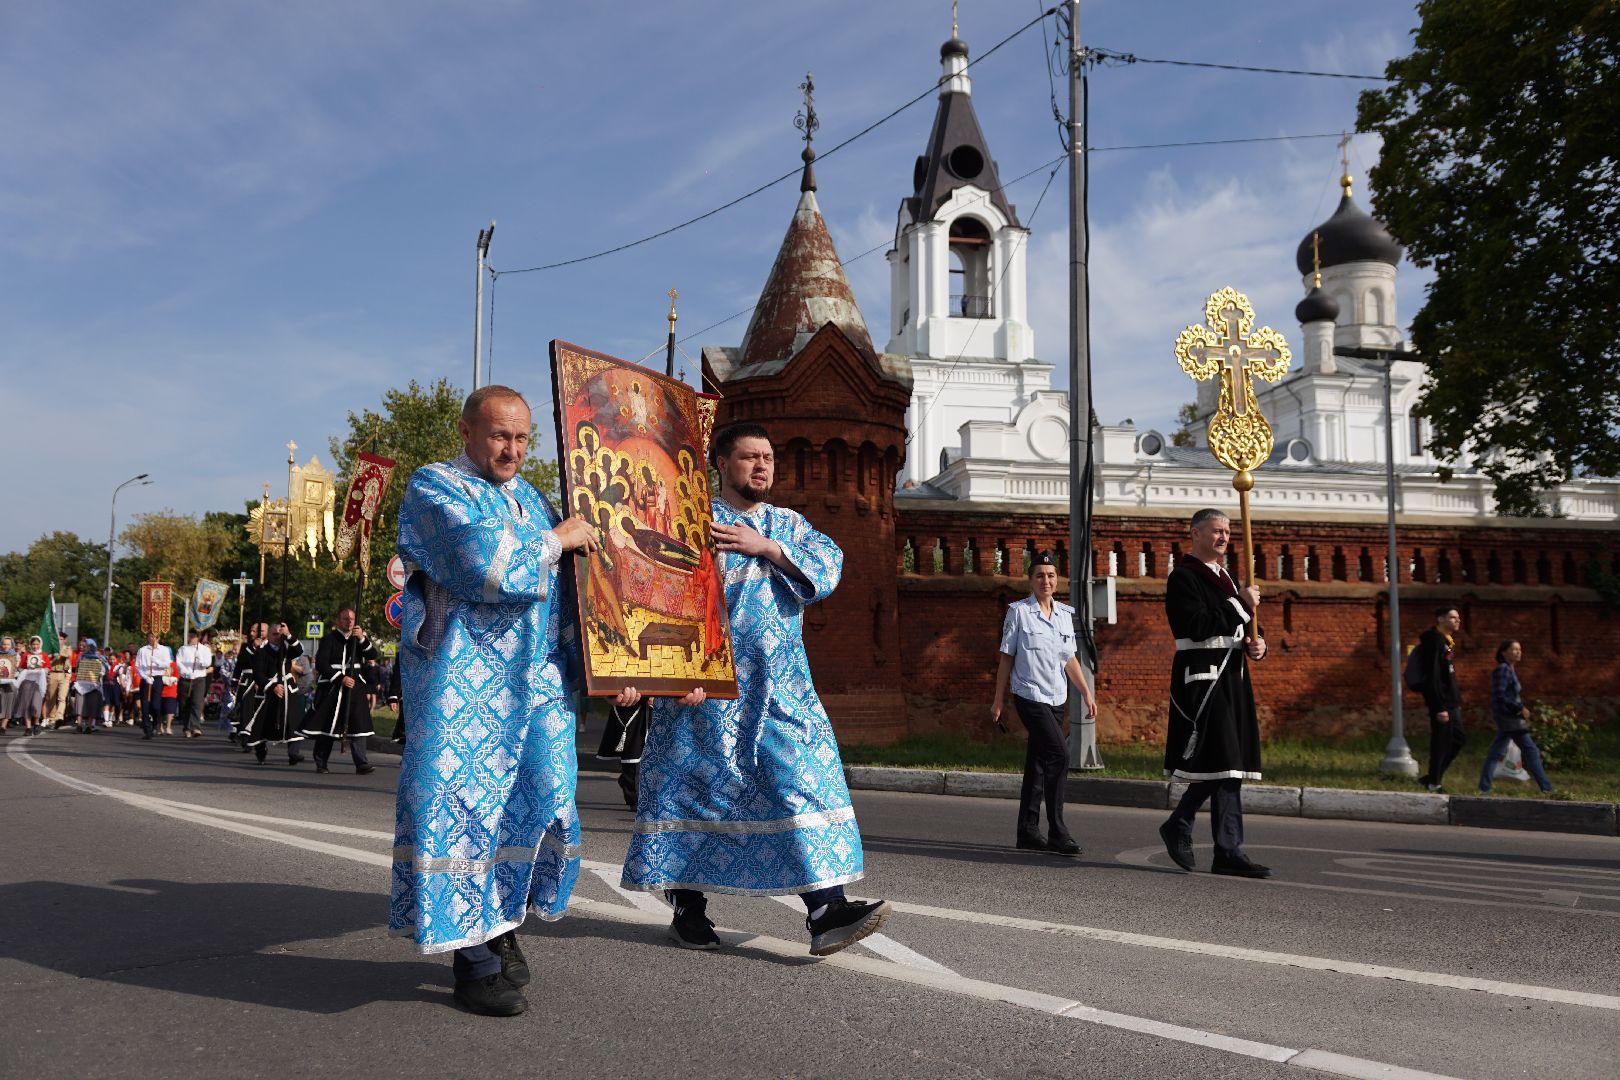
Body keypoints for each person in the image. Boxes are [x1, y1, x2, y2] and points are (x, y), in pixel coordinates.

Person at [619, 422, 890, 958]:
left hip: (780, 687)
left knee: (801, 782)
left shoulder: (786, 524)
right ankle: (688, 908)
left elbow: (830, 568)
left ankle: (826, 909)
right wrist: (667, 675)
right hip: (702, 690)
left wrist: (765, 547)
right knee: (694, 792)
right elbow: (654, 594)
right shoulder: (688, 521)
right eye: (749, 457)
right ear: (721, 463)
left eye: (767, 458)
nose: (762, 466)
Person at [392, 384, 601, 1018]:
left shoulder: (533, 498)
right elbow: (480, 562)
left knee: (542, 798)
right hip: (463, 686)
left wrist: (603, 659)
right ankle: (472, 960)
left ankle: (500, 921)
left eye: (520, 438)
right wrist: (557, 540)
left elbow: (567, 584)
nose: (511, 449)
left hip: (534, 683)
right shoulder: (435, 486)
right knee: (462, 807)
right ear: (466, 431)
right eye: (498, 435)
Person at [1155, 508, 1271, 879]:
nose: (1223, 537)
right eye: (1216, 531)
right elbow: (1198, 626)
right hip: (1204, 678)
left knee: (1230, 765)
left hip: (1233, 677)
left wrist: (1258, 644)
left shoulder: (1229, 577)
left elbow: (1244, 626)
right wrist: (1241, 605)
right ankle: (1184, 824)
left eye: (1227, 531)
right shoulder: (1183, 577)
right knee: (1221, 759)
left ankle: (1227, 850)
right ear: (1195, 534)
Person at [989, 550, 1098, 855]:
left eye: (1050, 575)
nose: (1046, 581)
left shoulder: (1065, 614)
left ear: (1057, 580)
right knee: (1059, 756)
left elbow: (1069, 659)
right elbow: (1006, 659)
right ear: (1031, 580)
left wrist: (1086, 693)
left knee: (1038, 763)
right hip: (1029, 696)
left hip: (1056, 698)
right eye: (1040, 575)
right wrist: (998, 700)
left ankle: (1027, 831)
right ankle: (1058, 832)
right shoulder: (1019, 613)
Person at [301, 608, 379, 775]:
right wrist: (340, 678)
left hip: (355, 687)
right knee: (328, 725)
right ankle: (321, 762)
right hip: (332, 687)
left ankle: (361, 763)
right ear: (338, 621)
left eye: (352, 619)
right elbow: (322, 663)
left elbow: (373, 654)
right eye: (345, 619)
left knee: (357, 724)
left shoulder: (358, 640)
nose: (349, 622)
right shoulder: (329, 639)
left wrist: (362, 639)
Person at [1478, 640, 1554, 796]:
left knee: (1496, 752)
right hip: (1509, 718)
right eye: (1514, 649)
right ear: (1503, 652)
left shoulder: (1509, 669)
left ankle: (1484, 787)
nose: (1518, 652)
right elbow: (1500, 695)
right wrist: (1519, 708)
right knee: (1530, 750)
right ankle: (1547, 788)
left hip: (1509, 717)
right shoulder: (1503, 669)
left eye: (1519, 649)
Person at [1414, 606, 1465, 793]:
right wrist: (1439, 706)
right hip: (1443, 703)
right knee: (1441, 741)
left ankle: (1432, 777)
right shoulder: (1434, 641)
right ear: (1440, 619)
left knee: (1458, 739)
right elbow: (1433, 675)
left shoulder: (1447, 641)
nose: (1457, 620)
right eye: (1452, 617)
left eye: (1458, 618)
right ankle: (1434, 782)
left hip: (1452, 701)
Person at [245, 622, 307, 765]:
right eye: (274, 634)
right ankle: (261, 751)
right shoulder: (261, 652)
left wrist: (289, 635)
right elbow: (258, 675)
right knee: (263, 721)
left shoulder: (286, 648)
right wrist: (272, 686)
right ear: (269, 635)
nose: (278, 637)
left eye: (280, 634)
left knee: (294, 720)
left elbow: (298, 650)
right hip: (269, 691)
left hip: (288, 689)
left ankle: (293, 753)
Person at [134, 631, 173, 741]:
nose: (152, 638)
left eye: (154, 637)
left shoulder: (164, 650)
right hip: (146, 678)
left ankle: (156, 722)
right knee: (145, 705)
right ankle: (147, 730)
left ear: (158, 638)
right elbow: (138, 666)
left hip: (157, 678)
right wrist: (145, 676)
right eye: (150, 636)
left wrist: (156, 661)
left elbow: (167, 664)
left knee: (155, 705)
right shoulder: (142, 650)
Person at [176, 630, 213, 738]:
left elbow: (208, 663)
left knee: (197, 703)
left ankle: (196, 727)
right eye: (190, 636)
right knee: (185, 704)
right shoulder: (183, 649)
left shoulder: (205, 649)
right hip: (186, 678)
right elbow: (179, 663)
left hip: (199, 678)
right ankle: (187, 727)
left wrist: (199, 658)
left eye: (194, 636)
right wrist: (186, 672)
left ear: (198, 637)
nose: (191, 638)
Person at [12, 636, 49, 736]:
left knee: (36, 704)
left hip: (38, 683)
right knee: (26, 705)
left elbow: (48, 669)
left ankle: (36, 723)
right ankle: (28, 727)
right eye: (33, 644)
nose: (35, 646)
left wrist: (41, 670)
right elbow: (20, 668)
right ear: (30, 645)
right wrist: (27, 670)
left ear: (40, 644)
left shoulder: (44, 655)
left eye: (37, 644)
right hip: (27, 682)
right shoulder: (27, 655)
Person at [70, 639, 107, 733]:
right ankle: (79, 725)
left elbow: (105, 669)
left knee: (92, 705)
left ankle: (89, 726)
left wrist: (99, 671)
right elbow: (78, 668)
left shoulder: (100, 658)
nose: (84, 648)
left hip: (94, 684)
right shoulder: (81, 657)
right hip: (82, 683)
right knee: (80, 703)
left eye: (86, 646)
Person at [45, 632, 73, 728]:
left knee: (61, 697)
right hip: (52, 673)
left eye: (61, 639)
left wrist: (58, 651)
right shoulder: (50, 649)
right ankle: (52, 719)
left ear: (64, 640)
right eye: (57, 639)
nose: (59, 640)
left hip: (64, 674)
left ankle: (59, 717)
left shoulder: (67, 648)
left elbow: (68, 655)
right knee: (51, 698)